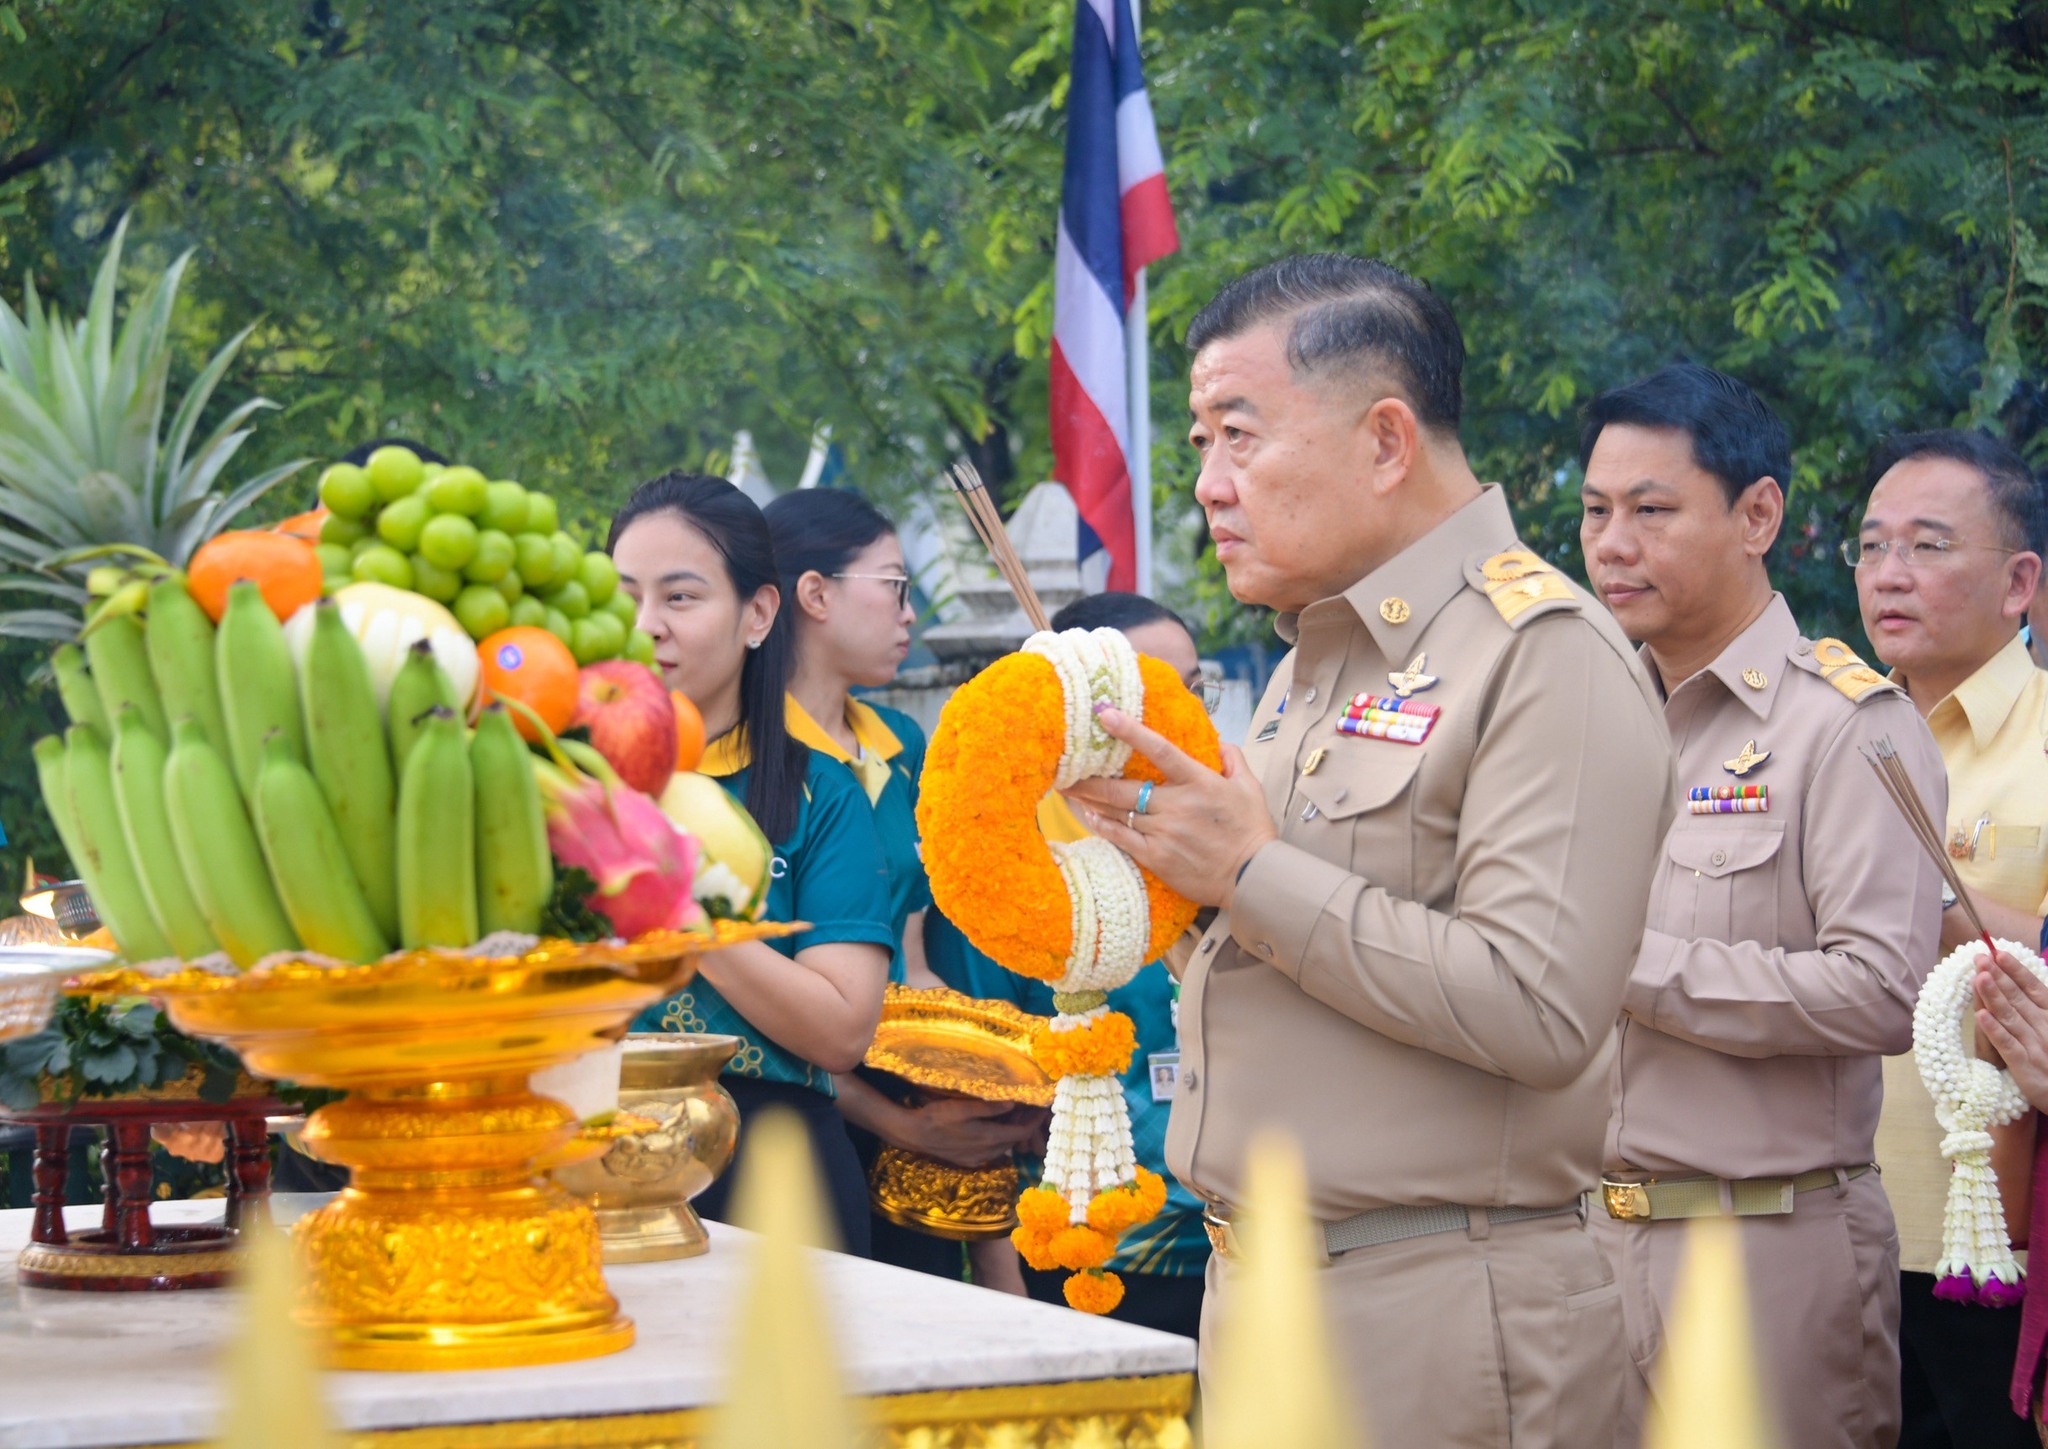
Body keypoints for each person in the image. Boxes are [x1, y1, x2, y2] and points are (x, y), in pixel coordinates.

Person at [1061, 253, 1674, 1446]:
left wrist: (1246, 873)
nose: (1208, 487)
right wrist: (1178, 881)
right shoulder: (1311, 663)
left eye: (1238, 437)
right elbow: (1288, 951)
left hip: (1436, 1308)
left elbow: (1540, 1009)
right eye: (1198, 444)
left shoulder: (1542, 654)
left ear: (1385, 441)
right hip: (1262, 1289)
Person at [1577, 363, 1944, 1449]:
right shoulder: (1584, 719)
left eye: (1650, 511)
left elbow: (1884, 992)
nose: (1611, 544)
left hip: (1762, 1248)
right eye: (1595, 512)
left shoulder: (1846, 726)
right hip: (1580, 1244)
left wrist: (1614, 960)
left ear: (1757, 515)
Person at [610, 472, 895, 1257]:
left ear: (759, 614)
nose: (646, 625)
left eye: (680, 597)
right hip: (589, 1157)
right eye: (625, 596)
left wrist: (683, 915)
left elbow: (843, 1029)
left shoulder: (822, 792)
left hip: (778, 1169)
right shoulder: (565, 785)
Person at [762, 487, 1041, 1282]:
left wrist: (993, 1071)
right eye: (895, 586)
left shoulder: (903, 742)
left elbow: (914, 960)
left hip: (906, 1087)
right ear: (815, 594)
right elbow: (762, 1000)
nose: (909, 613)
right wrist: (903, 1124)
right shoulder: (752, 761)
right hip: (806, 1105)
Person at [935, 590, 1216, 1340]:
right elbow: (985, 1098)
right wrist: (1001, 1277)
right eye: (1158, 688)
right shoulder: (1015, 870)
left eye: (1193, 690)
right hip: (1082, 1245)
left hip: (1234, 1245)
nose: (1181, 714)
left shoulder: (1229, 838)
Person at [1858, 430, 2048, 1449]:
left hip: (1995, 1249)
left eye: (1926, 546)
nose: (1888, 573)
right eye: (1870, 544)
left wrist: (1922, 905)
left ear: (2018, 580)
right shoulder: (1830, 735)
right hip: (1834, 1232)